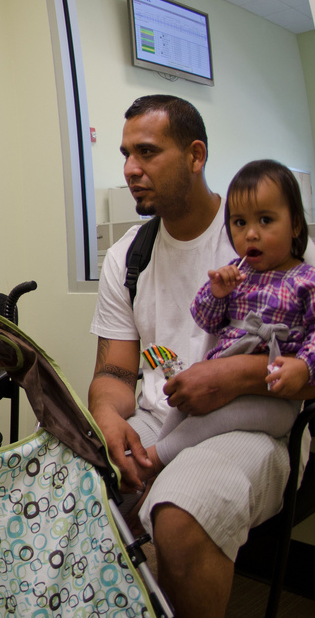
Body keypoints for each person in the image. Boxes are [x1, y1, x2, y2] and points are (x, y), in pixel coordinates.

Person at [88, 95, 315, 618]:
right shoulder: (128, 257)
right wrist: (105, 419)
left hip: (254, 425)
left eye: (147, 152)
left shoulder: (263, 240)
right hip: (160, 416)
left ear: (195, 155)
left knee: (179, 512)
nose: (130, 169)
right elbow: (115, 372)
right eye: (125, 154)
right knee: (71, 479)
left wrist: (238, 374)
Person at [142, 160, 314, 475]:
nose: (251, 234)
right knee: (181, 405)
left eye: (265, 220)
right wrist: (217, 293)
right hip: (218, 376)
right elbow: (205, 320)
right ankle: (156, 469)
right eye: (239, 223)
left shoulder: (307, 280)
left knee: (211, 421)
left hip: (272, 399)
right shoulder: (237, 274)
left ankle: (155, 459)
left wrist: (304, 365)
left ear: (295, 226)